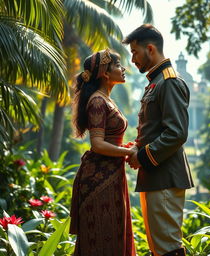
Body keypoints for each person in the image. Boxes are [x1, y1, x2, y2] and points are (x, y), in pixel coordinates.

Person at [122, 24, 194, 256]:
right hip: (155, 176)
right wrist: (137, 147)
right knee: (159, 248)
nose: (132, 59)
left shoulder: (169, 82)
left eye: (134, 52)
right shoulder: (157, 81)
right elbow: (155, 129)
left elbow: (176, 133)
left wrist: (141, 156)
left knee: (168, 249)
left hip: (164, 177)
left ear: (150, 49)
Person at [69, 48, 136, 256]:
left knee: (113, 237)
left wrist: (124, 149)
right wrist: (128, 153)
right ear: (105, 73)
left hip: (111, 175)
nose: (123, 69)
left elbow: (108, 140)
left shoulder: (105, 99)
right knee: (102, 240)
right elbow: (98, 144)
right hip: (100, 179)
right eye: (117, 65)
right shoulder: (98, 101)